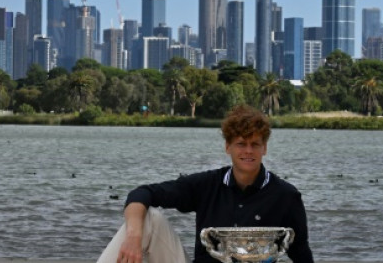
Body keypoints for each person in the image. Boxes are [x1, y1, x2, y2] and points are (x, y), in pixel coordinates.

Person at [97, 104, 314, 263]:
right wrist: (134, 238)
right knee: (150, 218)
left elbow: (301, 253)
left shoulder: (286, 195)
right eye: (241, 144)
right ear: (228, 147)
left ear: (264, 148)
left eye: (254, 144)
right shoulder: (207, 185)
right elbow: (141, 193)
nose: (248, 151)